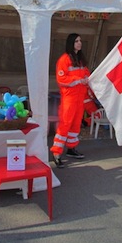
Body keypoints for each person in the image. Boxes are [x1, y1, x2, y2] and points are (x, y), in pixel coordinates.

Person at [50, 33, 90, 168]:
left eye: (80, 41)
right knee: (65, 124)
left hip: (79, 97)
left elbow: (86, 74)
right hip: (69, 98)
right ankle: (56, 152)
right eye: (76, 41)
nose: (79, 43)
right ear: (71, 43)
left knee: (76, 124)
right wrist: (78, 80)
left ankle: (71, 148)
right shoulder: (64, 59)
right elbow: (61, 79)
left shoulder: (80, 59)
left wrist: (87, 80)